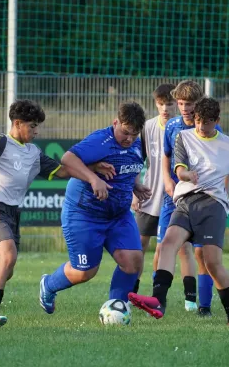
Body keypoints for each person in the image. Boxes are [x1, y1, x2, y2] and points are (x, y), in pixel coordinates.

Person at [0, 99, 113, 329]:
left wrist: (92, 170)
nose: (36, 131)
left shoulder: (33, 153)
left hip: (12, 212)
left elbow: (63, 171)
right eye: (32, 126)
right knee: (7, 257)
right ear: (17, 123)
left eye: (37, 126)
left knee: (6, 269)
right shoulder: (0, 143)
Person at [128, 97, 229, 326]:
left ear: (217, 121)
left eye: (206, 123)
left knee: (212, 262)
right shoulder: (183, 137)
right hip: (186, 201)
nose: (200, 127)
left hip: (213, 205)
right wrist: (185, 175)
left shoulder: (228, 144)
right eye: (197, 121)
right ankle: (158, 300)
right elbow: (179, 166)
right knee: (168, 243)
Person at [39, 102, 151, 314]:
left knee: (133, 262)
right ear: (115, 122)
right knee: (85, 272)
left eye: (134, 135)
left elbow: (131, 165)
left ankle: (117, 309)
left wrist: (135, 185)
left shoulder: (136, 144)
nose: (129, 139)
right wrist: (93, 178)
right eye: (125, 133)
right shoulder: (101, 141)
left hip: (118, 215)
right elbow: (67, 160)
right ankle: (49, 285)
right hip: (85, 214)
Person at [130, 83, 199, 312]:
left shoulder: (182, 127)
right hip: (149, 195)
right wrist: (133, 190)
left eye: (170, 103)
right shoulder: (148, 127)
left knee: (175, 248)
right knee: (138, 245)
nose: (166, 108)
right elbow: (136, 161)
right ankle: (132, 292)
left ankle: (182, 298)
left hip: (175, 196)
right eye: (161, 104)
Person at [161, 80, 224, 316]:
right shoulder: (172, 126)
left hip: (202, 198)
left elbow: (224, 166)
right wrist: (167, 181)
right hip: (174, 197)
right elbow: (166, 156)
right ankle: (159, 301)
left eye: (189, 104)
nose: (185, 109)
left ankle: (203, 306)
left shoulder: (209, 129)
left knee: (201, 253)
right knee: (164, 247)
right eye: (180, 104)